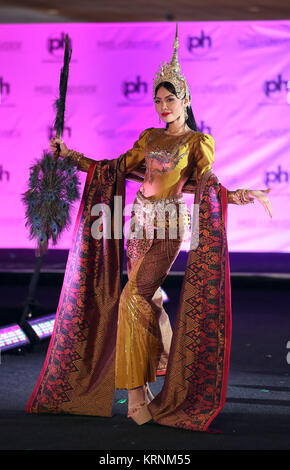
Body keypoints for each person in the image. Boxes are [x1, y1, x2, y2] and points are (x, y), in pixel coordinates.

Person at [26, 25, 272, 431]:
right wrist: (72, 156)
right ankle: (167, 384)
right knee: (151, 300)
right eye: (158, 99)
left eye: (170, 99)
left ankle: (137, 398)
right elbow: (114, 168)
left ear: (186, 101)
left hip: (170, 227)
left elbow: (206, 182)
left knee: (130, 298)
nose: (162, 106)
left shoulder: (198, 142)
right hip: (139, 224)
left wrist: (238, 195)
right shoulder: (148, 135)